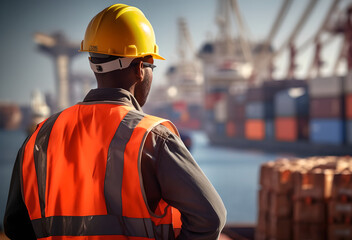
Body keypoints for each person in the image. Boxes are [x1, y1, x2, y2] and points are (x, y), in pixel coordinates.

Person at [3, 4, 226, 240]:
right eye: (152, 66)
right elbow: (210, 218)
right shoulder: (152, 137)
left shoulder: (39, 137)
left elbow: (16, 226)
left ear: (93, 64)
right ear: (141, 68)